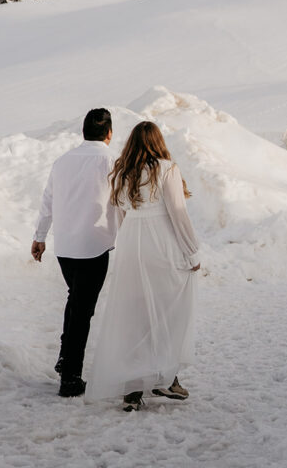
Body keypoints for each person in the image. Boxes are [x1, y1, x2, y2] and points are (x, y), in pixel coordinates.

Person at [85, 120, 200, 411]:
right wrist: (192, 251)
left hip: (131, 246)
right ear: (158, 141)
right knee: (167, 312)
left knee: (134, 316)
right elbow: (177, 213)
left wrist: (127, 243)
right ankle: (164, 376)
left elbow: (122, 215)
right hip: (160, 245)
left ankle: (132, 391)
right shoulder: (166, 168)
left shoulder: (122, 172)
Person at [31, 107, 118, 398]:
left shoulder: (62, 161)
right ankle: (70, 376)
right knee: (83, 309)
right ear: (109, 133)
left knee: (77, 301)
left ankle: (65, 359)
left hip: (65, 246)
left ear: (83, 132)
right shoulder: (111, 161)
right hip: (95, 244)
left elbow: (48, 201)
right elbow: (122, 202)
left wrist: (40, 236)